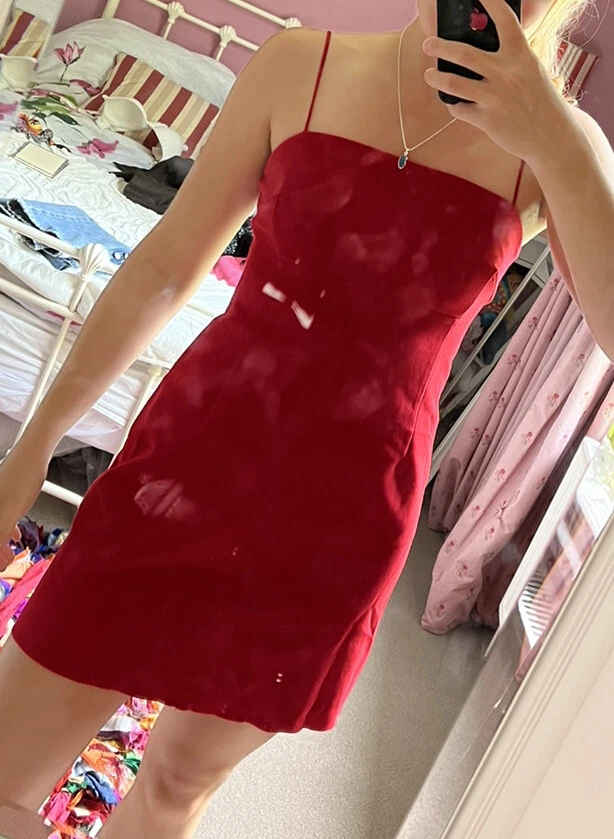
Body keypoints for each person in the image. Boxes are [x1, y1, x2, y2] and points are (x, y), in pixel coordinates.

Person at [0, 0, 613, 835]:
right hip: (182, 469)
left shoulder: (559, 147)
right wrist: (33, 448)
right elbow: (165, 269)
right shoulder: (301, 65)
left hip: (337, 528)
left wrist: (552, 135)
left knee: (175, 786)